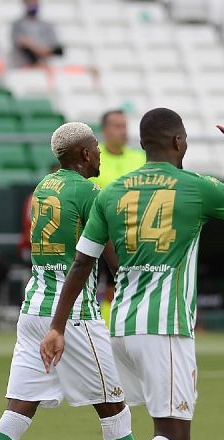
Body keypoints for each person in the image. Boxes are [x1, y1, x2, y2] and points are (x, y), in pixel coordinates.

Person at [41, 104, 224, 440]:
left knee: (170, 436)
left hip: (122, 326)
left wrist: (57, 326)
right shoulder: (198, 187)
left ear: (143, 144)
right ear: (179, 142)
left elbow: (83, 264)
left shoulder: (113, 190)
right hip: (165, 326)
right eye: (185, 139)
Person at [0, 122, 137, 440]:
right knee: (114, 410)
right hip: (74, 315)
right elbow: (113, 259)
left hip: (33, 310)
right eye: (96, 147)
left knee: (18, 410)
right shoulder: (90, 192)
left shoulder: (44, 186)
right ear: (85, 153)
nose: (100, 152)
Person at [89, 110, 147, 324]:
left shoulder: (140, 159)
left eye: (124, 125)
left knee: (123, 284)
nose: (123, 131)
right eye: (117, 126)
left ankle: (117, 324)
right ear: (104, 130)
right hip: (98, 234)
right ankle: (96, 326)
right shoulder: (93, 158)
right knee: (93, 283)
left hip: (133, 234)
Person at [10, 0, 63, 68]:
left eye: (35, 2)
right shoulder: (18, 24)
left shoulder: (47, 25)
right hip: (24, 68)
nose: (32, 4)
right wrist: (38, 48)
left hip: (44, 68)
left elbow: (56, 48)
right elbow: (21, 41)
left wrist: (43, 50)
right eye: (30, 2)